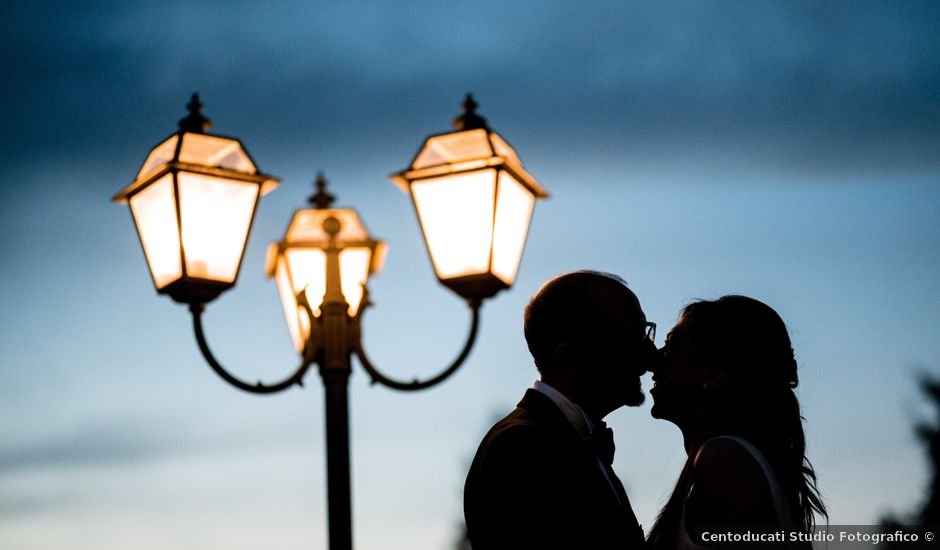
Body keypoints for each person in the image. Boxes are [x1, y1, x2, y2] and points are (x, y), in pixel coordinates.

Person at [464, 271, 656, 550]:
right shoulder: (521, 447)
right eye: (633, 337)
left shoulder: (570, 441)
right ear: (570, 357)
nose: (649, 356)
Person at [647, 296, 827, 550]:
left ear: (713, 373)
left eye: (672, 346)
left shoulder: (726, 459)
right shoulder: (731, 456)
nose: (654, 359)